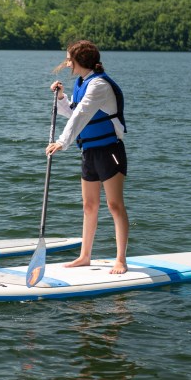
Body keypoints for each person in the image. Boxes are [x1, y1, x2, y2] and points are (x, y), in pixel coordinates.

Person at [45, 40, 130, 274]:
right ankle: (85, 256)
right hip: (89, 151)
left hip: (109, 151)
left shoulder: (99, 85)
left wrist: (62, 142)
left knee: (114, 205)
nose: (67, 64)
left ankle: (121, 259)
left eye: (70, 59)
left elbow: (81, 115)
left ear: (80, 61)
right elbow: (73, 112)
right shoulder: (82, 82)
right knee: (89, 205)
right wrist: (62, 97)